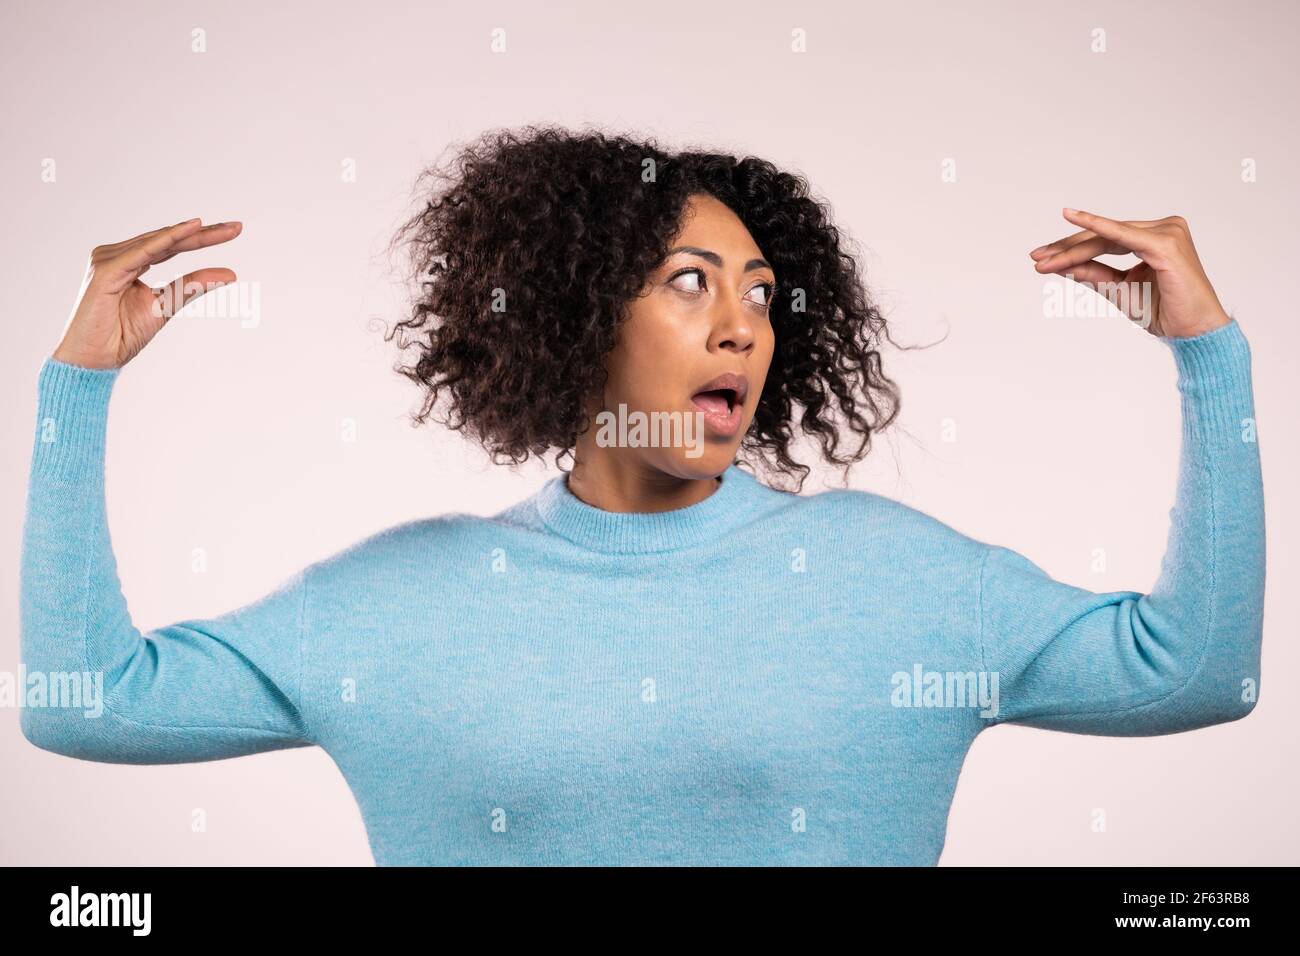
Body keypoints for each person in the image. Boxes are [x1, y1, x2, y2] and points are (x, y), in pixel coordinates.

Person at [19, 125, 1264, 865]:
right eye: (688, 281)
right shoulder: (394, 601)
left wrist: (1207, 353)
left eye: (763, 292)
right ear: (574, 315)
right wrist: (77, 387)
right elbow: (88, 704)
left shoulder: (903, 579)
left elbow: (1199, 671)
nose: (740, 325)